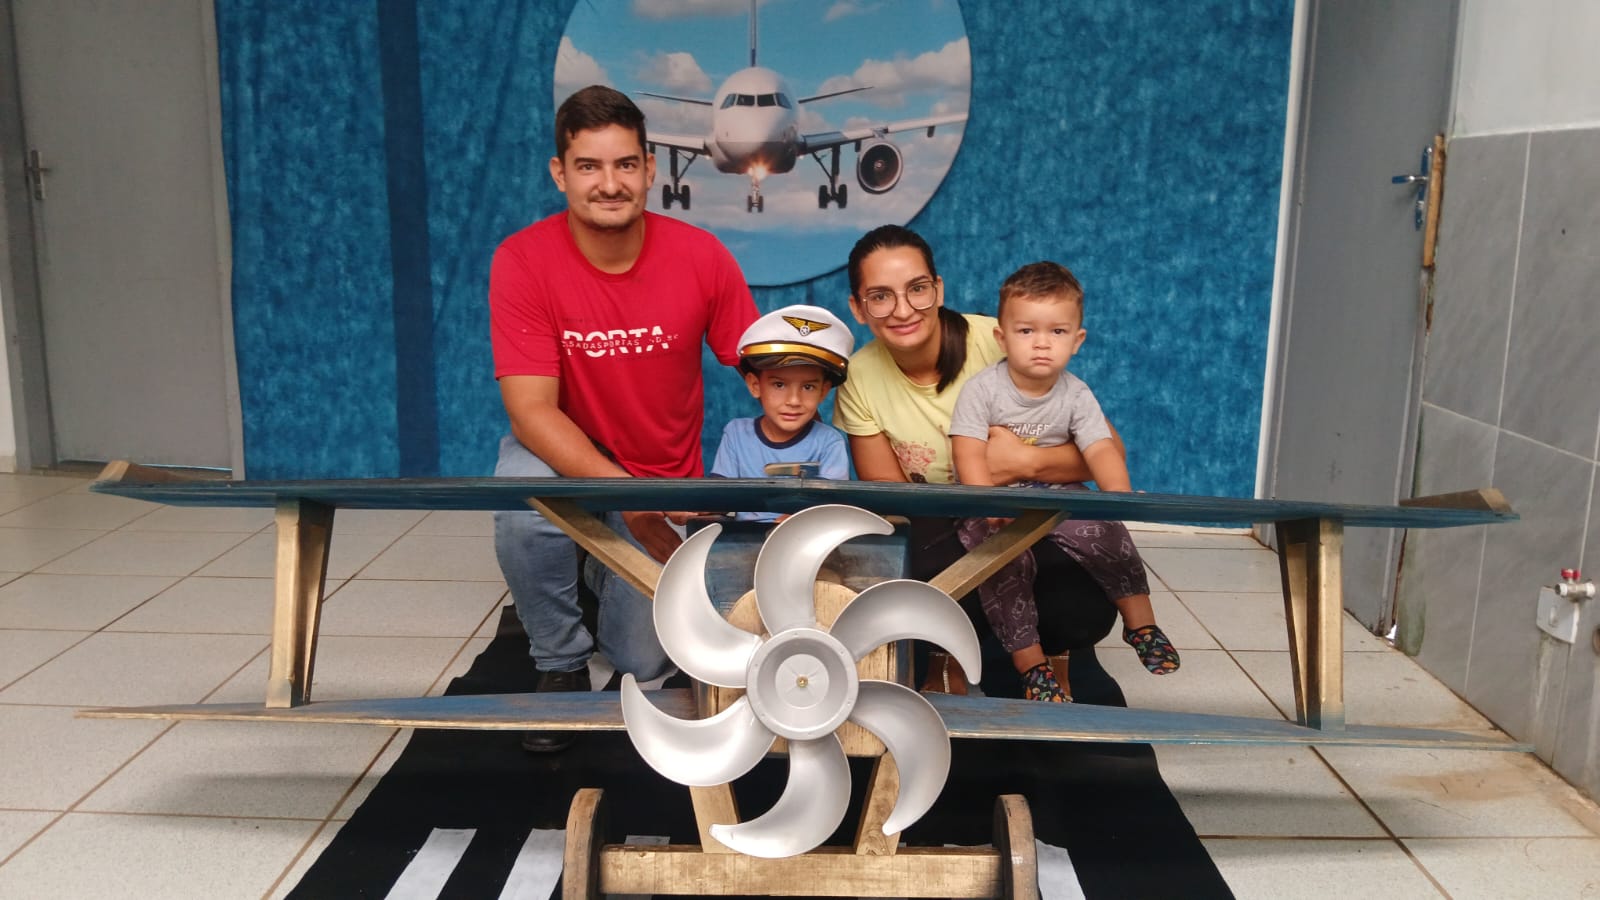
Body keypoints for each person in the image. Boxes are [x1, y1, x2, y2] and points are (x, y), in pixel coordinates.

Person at [489, 85, 758, 752]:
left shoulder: (701, 255)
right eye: (589, 166)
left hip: (660, 474)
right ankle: (558, 660)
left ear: (650, 168)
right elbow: (530, 412)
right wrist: (630, 501)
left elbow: (766, 365)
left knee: (642, 660)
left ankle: (591, 566)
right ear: (560, 173)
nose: (609, 184)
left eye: (625, 165)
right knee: (522, 507)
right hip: (564, 454)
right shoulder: (522, 259)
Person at [831, 224, 1130, 703]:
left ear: (938, 288)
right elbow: (889, 493)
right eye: (881, 296)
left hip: (1026, 506)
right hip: (944, 520)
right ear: (858, 308)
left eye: (917, 289)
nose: (903, 309)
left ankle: (1058, 653)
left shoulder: (1001, 340)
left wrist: (1024, 462)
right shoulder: (859, 377)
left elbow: (1106, 452)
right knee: (917, 563)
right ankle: (944, 652)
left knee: (1082, 587)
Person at [949, 261, 1179, 703]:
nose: (1041, 343)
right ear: (1001, 337)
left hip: (1059, 493)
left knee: (1108, 532)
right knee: (1003, 564)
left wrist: (1118, 497)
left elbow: (1100, 449)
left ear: (1077, 340)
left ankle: (1141, 624)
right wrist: (985, 502)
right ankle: (1031, 665)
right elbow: (968, 452)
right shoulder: (982, 390)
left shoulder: (1076, 393)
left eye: (1057, 332)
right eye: (1026, 331)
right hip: (991, 495)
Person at [709, 304, 855, 523]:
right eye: (779, 385)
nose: (794, 401)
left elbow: (829, 509)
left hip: (809, 538)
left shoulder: (829, 442)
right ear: (755, 385)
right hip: (742, 540)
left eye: (808, 387)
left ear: (824, 391)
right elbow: (717, 502)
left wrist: (794, 521)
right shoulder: (736, 434)